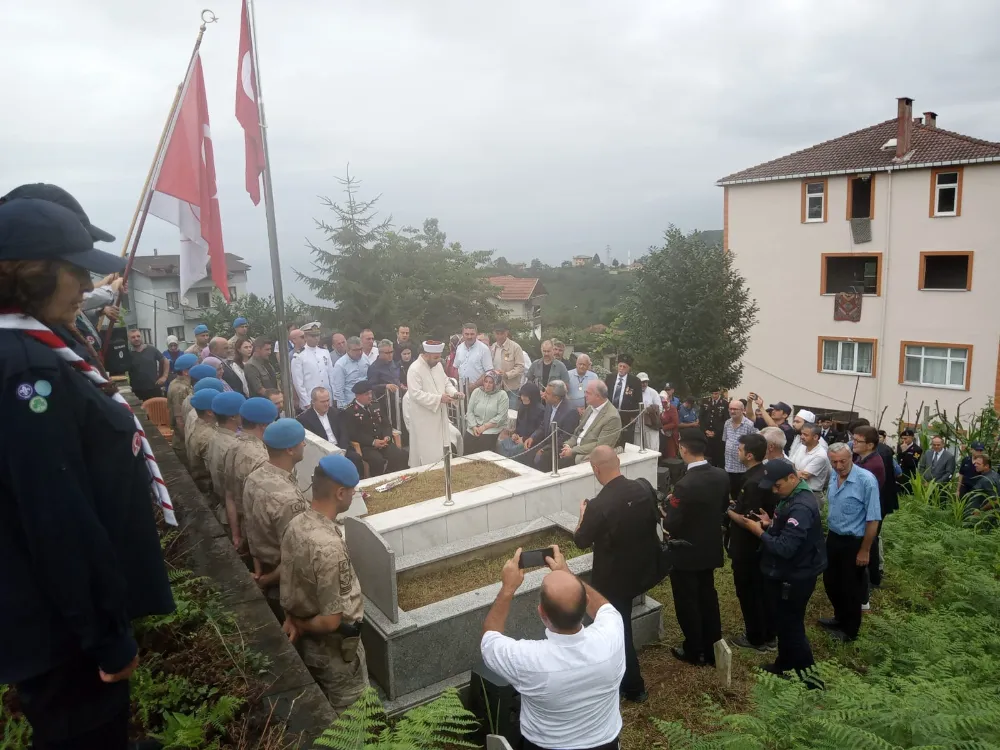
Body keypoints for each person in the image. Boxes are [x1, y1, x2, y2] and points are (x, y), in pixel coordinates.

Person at [0, 196, 175, 750]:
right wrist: (105, 636)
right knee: (83, 730)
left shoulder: (37, 347)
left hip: (66, 617)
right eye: (74, 270)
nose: (84, 283)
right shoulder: (28, 369)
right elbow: (57, 512)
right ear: (32, 274)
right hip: (63, 633)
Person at [480, 546, 626, 750]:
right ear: (585, 604)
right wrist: (566, 573)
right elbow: (604, 608)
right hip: (605, 745)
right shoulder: (611, 638)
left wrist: (507, 588)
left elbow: (489, 639)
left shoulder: (529, 660)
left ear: (542, 613)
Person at [280, 454, 369, 714]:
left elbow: (290, 579)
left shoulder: (296, 524)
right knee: (352, 721)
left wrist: (292, 618)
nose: (354, 496)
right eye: (353, 492)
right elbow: (331, 621)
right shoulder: (329, 546)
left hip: (310, 645)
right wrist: (300, 624)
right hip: (336, 651)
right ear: (341, 493)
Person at [574, 445, 660, 703]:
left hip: (613, 579)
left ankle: (634, 686)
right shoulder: (642, 488)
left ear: (595, 469)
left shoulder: (598, 505)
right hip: (641, 569)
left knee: (618, 630)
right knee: (619, 625)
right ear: (619, 462)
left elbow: (580, 540)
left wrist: (581, 517)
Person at [729, 459, 826, 685]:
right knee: (783, 623)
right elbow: (788, 532)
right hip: (788, 572)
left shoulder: (801, 506)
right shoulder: (790, 497)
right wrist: (770, 523)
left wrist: (758, 532)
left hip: (795, 575)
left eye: (777, 485)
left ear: (792, 478)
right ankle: (785, 663)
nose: (774, 490)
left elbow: (785, 547)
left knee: (791, 626)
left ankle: (810, 680)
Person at [663, 430, 729, 665]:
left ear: (683, 449)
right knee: (708, 596)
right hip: (709, 547)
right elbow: (722, 507)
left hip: (687, 551)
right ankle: (712, 645)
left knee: (687, 601)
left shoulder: (684, 484)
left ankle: (694, 649)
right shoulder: (721, 475)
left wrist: (666, 512)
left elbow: (672, 522)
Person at [245, 419, 309, 611]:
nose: (304, 444)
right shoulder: (288, 499)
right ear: (290, 450)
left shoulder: (254, 477)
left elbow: (250, 525)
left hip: (263, 566)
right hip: (282, 580)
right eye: (301, 441)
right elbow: (297, 555)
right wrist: (265, 580)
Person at [821, 443, 881, 642]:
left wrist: (865, 550)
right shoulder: (834, 476)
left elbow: (873, 519)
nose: (838, 466)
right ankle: (839, 618)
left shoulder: (866, 481)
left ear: (851, 458)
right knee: (830, 581)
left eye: (842, 461)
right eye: (834, 462)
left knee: (851, 587)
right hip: (834, 537)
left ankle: (850, 630)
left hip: (854, 542)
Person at [725, 433, 775, 652]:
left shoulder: (754, 482)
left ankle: (756, 637)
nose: (738, 451)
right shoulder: (763, 473)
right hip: (759, 547)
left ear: (750, 455)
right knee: (761, 590)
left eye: (740, 448)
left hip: (747, 546)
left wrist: (729, 512)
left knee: (748, 590)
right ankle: (768, 633)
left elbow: (748, 520)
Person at [222, 397, 278, 551]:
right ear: (263, 425)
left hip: (241, 528)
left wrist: (235, 535)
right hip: (261, 539)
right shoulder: (262, 458)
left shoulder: (232, 446)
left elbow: (229, 496)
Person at [405, 340, 463, 467]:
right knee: (427, 453)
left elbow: (446, 382)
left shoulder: (437, 366)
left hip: (440, 416)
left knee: (442, 450)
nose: (438, 360)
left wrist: (454, 393)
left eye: (439, 357)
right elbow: (415, 394)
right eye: (435, 357)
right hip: (424, 420)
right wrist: (439, 399)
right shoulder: (414, 369)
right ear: (426, 354)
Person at [345, 380, 408, 476]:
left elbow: (386, 424)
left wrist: (387, 436)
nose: (370, 396)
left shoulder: (376, 405)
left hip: (384, 442)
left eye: (370, 393)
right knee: (377, 461)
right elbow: (354, 434)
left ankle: (392, 477)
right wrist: (373, 442)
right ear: (358, 396)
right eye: (366, 394)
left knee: (402, 455)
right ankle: (378, 482)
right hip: (367, 446)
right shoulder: (350, 411)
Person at [207, 391, 246, 531]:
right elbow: (234, 493)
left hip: (224, 508)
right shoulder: (234, 447)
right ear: (233, 417)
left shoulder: (214, 436)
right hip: (235, 516)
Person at [521, 379, 581, 469]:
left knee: (541, 459)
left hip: (558, 447)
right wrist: (532, 437)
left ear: (556, 397)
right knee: (526, 452)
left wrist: (544, 449)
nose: (544, 395)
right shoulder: (549, 404)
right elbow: (543, 426)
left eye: (547, 393)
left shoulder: (570, 412)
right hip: (547, 442)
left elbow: (564, 438)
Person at [561, 380, 622, 465]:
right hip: (574, 449)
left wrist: (573, 450)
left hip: (586, 456)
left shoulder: (612, 417)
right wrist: (567, 445)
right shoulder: (590, 408)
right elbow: (578, 432)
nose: (585, 395)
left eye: (588, 393)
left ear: (598, 396)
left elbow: (601, 445)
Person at [464, 370, 511, 454]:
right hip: (475, 426)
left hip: (492, 427)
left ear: (496, 383)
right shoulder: (477, 392)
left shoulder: (502, 395)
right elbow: (470, 411)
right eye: (486, 381)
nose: (487, 385)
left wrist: (484, 427)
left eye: (491, 382)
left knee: (484, 441)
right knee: (468, 439)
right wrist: (474, 426)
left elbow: (501, 416)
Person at [291, 323, 334, 414]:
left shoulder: (324, 352)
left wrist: (333, 396)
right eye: (313, 336)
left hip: (326, 398)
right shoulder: (299, 356)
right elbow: (298, 382)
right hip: (311, 400)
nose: (316, 338)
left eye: (318, 335)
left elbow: (331, 375)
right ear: (305, 337)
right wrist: (306, 401)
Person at [187, 386, 221, 494]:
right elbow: (217, 471)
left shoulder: (198, 423)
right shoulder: (208, 437)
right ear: (210, 412)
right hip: (209, 488)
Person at [497, 381, 545, 458]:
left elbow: (540, 431)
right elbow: (519, 425)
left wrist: (523, 439)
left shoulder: (541, 410)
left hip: (530, 441)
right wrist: (515, 434)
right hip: (518, 439)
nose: (523, 398)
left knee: (513, 451)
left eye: (526, 396)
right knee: (501, 444)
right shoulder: (522, 407)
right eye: (522, 395)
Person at [722, 399, 757, 500]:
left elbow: (754, 445)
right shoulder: (727, 423)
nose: (732, 411)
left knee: (742, 495)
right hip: (729, 466)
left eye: (735, 409)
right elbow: (725, 440)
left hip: (743, 468)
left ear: (742, 410)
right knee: (731, 493)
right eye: (730, 409)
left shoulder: (749, 425)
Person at [166, 353, 198, 460]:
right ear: (186, 372)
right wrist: (191, 444)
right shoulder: (180, 389)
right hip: (183, 444)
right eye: (196, 366)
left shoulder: (182, 384)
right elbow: (179, 419)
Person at [125, 327, 168, 400]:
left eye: (138, 336)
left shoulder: (151, 349)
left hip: (154, 388)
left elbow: (165, 360)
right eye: (133, 337)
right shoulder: (128, 354)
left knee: (158, 410)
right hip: (138, 391)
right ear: (129, 339)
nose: (136, 338)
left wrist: (164, 376)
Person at [490, 322, 526, 408]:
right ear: (494, 333)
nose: (499, 336)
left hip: (511, 388)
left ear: (506, 333)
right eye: (497, 334)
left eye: (502, 333)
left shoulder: (515, 347)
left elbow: (520, 367)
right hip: (496, 387)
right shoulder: (493, 347)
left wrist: (507, 374)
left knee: (511, 414)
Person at [330, 335, 369, 410]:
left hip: (367, 402)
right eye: (356, 350)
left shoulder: (364, 358)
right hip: (351, 404)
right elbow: (338, 390)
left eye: (361, 349)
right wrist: (344, 408)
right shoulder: (340, 365)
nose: (360, 352)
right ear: (347, 350)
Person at [792, 423, 831, 496]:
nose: (802, 437)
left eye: (805, 435)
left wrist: (794, 471)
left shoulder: (820, 455)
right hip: (797, 490)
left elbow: (804, 476)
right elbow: (791, 464)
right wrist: (797, 472)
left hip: (811, 493)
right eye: (802, 434)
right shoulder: (802, 446)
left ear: (815, 437)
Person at [454, 322, 494, 390]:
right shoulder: (459, 348)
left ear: (476, 334)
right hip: (461, 388)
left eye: (472, 334)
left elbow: (489, 371)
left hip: (478, 389)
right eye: (467, 334)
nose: (469, 337)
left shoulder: (484, 349)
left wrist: (474, 385)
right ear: (463, 334)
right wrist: (456, 385)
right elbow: (456, 367)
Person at [701, 388, 729, 467]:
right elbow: (701, 417)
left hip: (718, 436)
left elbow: (725, 420)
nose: (714, 396)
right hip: (706, 434)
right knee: (707, 456)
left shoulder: (725, 403)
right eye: (713, 393)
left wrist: (716, 433)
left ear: (719, 393)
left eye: (716, 393)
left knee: (718, 456)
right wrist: (705, 430)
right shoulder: (705, 402)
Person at [637, 372, 662, 453]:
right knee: (637, 448)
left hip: (651, 426)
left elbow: (660, 408)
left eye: (645, 382)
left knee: (652, 449)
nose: (644, 384)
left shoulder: (653, 392)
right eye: (641, 382)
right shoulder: (633, 392)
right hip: (637, 427)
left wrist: (649, 410)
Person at [660, 390, 680, 460]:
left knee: (671, 454)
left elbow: (675, 423)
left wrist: (664, 428)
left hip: (671, 435)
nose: (663, 404)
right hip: (662, 435)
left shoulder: (672, 408)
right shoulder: (660, 409)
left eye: (664, 402)